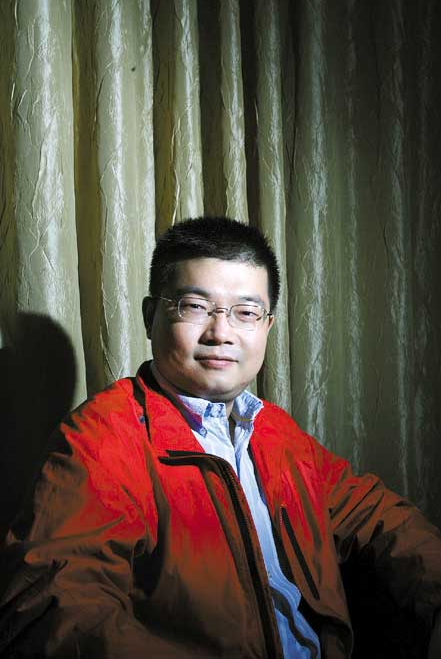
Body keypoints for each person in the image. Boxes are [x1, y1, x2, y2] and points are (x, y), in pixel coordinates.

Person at [0, 216, 440, 659]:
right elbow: (59, 609)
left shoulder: (275, 431)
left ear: (267, 327)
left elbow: (377, 516)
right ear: (151, 317)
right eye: (195, 306)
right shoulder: (101, 438)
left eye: (246, 313)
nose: (221, 334)